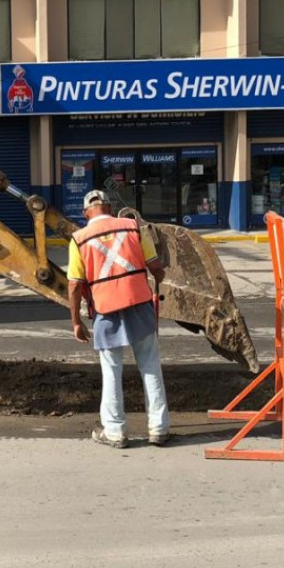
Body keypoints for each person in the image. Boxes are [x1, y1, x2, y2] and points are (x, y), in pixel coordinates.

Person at [68, 189, 171, 448]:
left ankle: (115, 432)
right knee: (150, 366)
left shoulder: (79, 239)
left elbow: (73, 286)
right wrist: (158, 278)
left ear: (85, 213)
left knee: (111, 371)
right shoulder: (133, 227)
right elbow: (155, 267)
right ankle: (158, 429)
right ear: (110, 207)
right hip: (139, 303)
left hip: (106, 310)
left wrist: (76, 322)